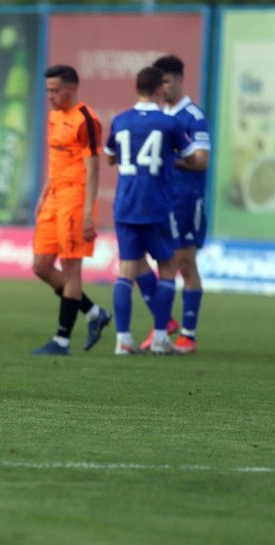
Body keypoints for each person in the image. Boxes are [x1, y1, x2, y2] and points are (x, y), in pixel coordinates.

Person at [103, 67, 209, 355]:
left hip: (125, 205)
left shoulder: (121, 120)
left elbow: (110, 158)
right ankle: (162, 336)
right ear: (159, 90)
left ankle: (123, 339)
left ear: (136, 87)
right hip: (158, 205)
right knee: (167, 270)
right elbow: (191, 157)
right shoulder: (168, 123)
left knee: (126, 271)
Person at [31, 65, 112, 356]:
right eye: (47, 90)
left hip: (76, 199)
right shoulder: (54, 116)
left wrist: (89, 211)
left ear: (71, 88)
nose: (50, 96)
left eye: (55, 90)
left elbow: (93, 170)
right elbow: (57, 161)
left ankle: (62, 340)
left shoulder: (87, 120)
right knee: (40, 265)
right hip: (53, 197)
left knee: (70, 268)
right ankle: (92, 312)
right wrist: (43, 194)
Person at [134, 55, 212, 354]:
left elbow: (201, 161)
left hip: (185, 200)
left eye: (167, 81)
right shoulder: (158, 115)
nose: (162, 87)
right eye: (159, 81)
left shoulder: (193, 115)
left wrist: (170, 161)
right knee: (136, 259)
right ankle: (164, 321)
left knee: (184, 264)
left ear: (180, 79)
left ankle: (188, 336)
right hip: (159, 200)